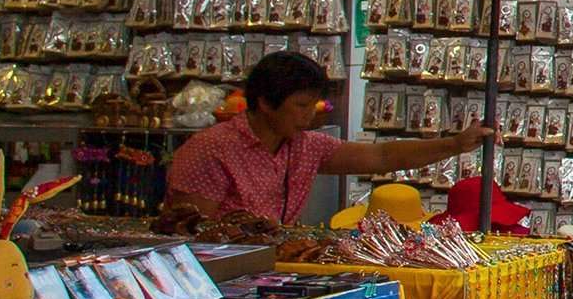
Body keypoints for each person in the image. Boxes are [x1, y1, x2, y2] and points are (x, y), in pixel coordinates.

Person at [167, 51, 486, 232]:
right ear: (264, 103)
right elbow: (190, 231)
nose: (310, 115)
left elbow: (382, 157)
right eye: (301, 105)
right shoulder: (212, 150)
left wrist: (455, 145)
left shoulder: (305, 145)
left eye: (313, 105)